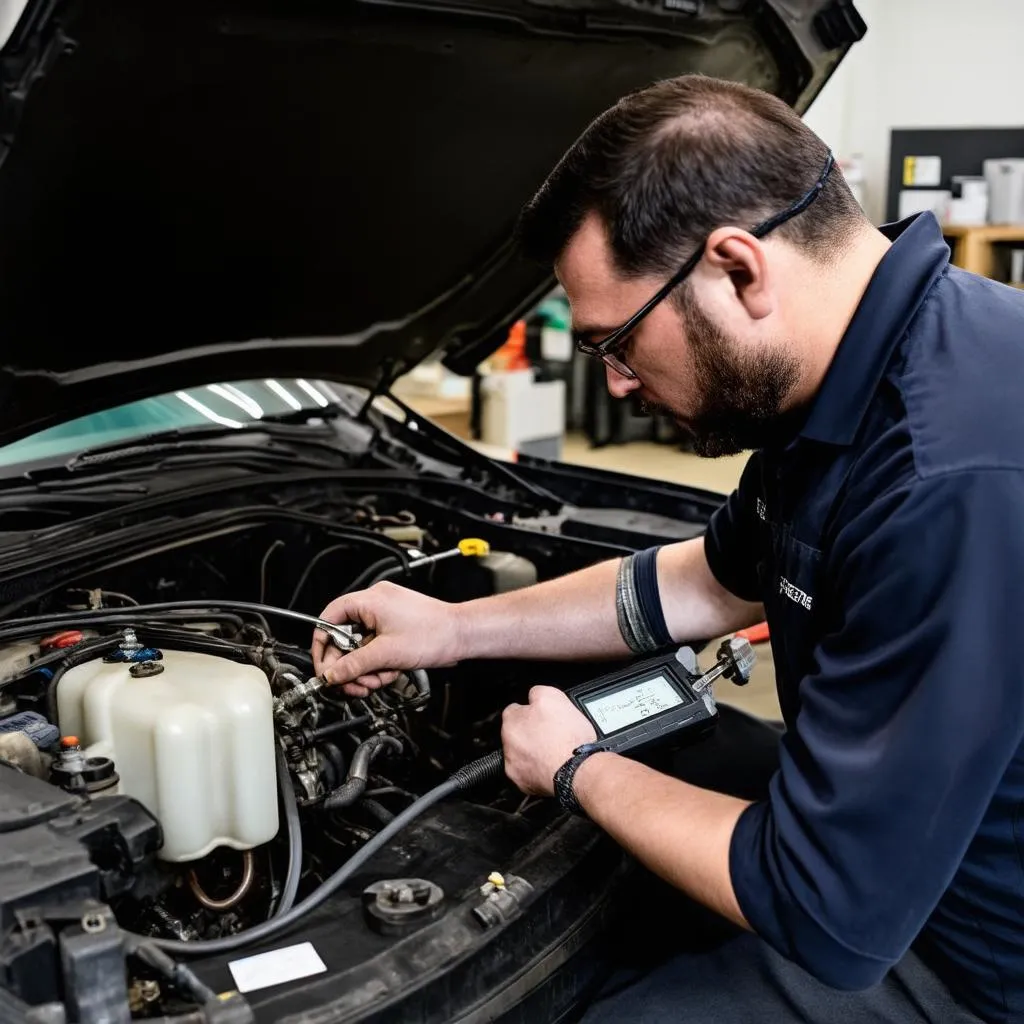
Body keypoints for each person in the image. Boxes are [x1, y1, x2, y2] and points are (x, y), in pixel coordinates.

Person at [310, 75, 1024, 1023]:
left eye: (618, 341)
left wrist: (579, 770)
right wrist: (452, 630)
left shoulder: (949, 478)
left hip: (974, 952)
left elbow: (827, 912)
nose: (617, 382)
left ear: (738, 270)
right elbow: (702, 584)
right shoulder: (856, 372)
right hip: (911, 846)